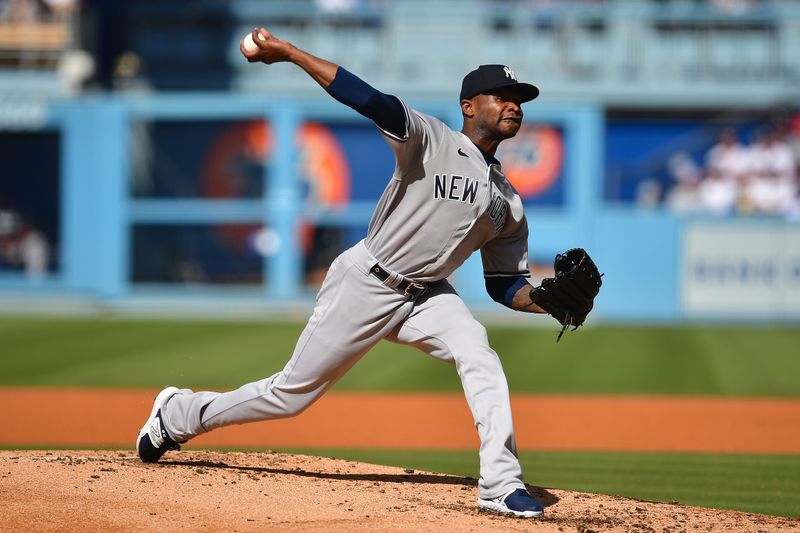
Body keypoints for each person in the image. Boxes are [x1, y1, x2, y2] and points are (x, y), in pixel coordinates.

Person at [137, 26, 552, 518]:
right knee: (289, 396)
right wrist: (289, 53)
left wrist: (549, 299)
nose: (514, 106)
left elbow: (504, 284)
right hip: (368, 280)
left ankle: (500, 485)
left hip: (427, 296)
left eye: (519, 99)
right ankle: (177, 413)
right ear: (468, 106)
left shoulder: (509, 200)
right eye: (501, 97)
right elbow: (368, 98)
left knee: (478, 352)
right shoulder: (432, 138)